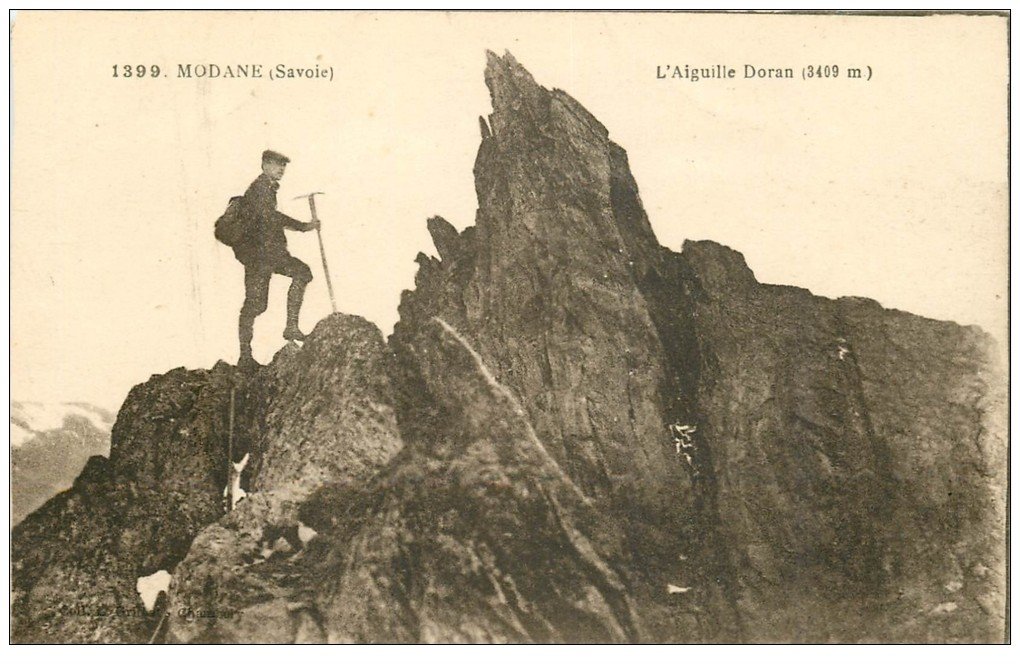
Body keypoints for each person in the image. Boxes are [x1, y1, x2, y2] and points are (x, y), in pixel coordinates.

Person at [234, 150, 319, 368]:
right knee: (256, 305)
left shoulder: (268, 187)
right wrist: (304, 226)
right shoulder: (260, 188)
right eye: (276, 164)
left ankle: (291, 327)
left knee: (302, 273)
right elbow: (271, 218)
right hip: (259, 256)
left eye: (283, 165)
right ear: (264, 166)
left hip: (270, 254)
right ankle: (245, 355)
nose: (281, 169)